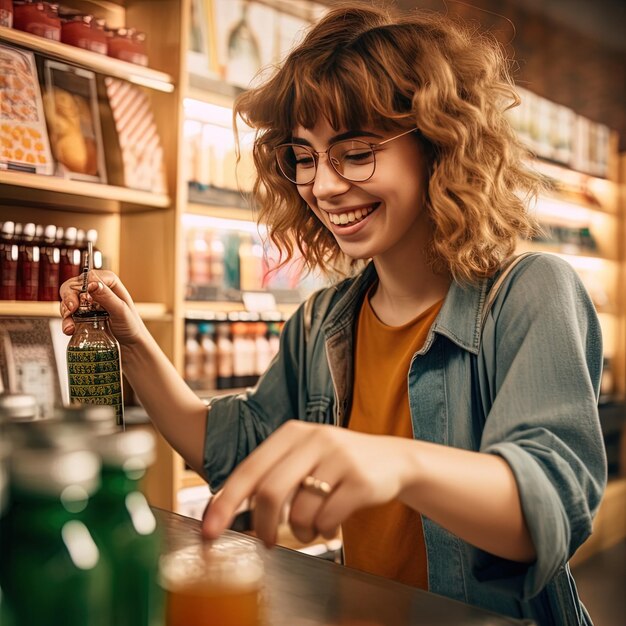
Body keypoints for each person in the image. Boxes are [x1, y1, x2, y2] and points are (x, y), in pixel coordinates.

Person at [60, 2, 606, 624]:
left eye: (354, 151)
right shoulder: (326, 320)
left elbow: (549, 513)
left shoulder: (529, 293)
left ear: (440, 143)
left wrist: (398, 464)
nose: (323, 185)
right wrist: (132, 345)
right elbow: (233, 446)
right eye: (305, 155)